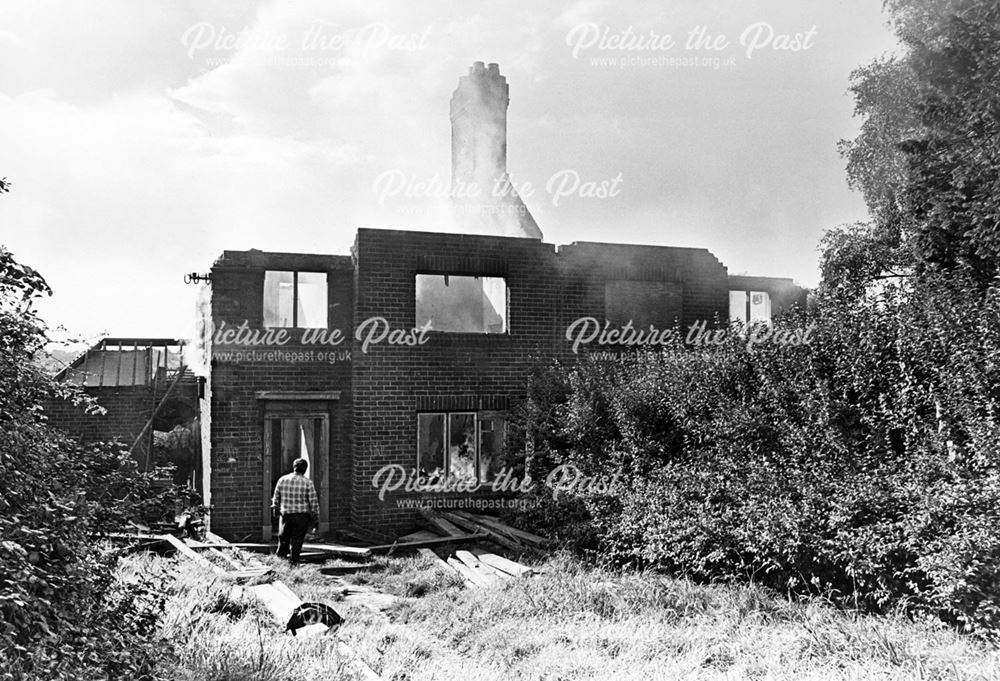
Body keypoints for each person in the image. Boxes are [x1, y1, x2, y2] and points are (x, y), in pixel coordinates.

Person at [271, 458, 319, 564]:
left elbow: (276, 496)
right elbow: (313, 501)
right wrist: (315, 517)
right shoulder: (308, 483)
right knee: (297, 541)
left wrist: (275, 508)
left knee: (283, 539)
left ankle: (280, 562)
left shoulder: (283, 479)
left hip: (286, 515)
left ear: (294, 467)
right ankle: (294, 562)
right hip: (301, 516)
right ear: (305, 469)